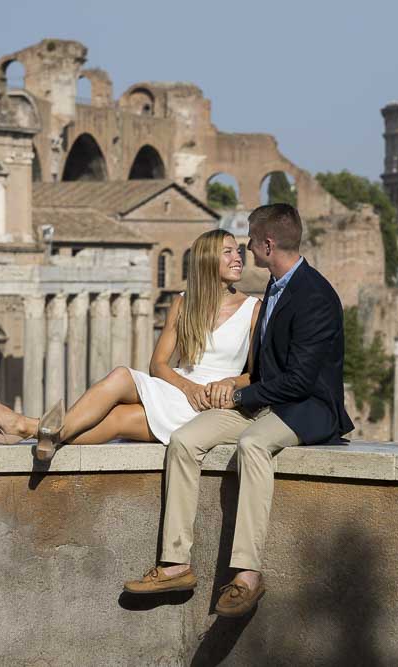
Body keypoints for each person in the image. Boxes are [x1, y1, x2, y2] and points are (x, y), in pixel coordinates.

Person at [124, 203, 353, 618]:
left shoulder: (316, 295)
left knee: (252, 445)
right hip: (264, 400)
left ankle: (247, 574)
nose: (246, 247)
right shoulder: (273, 290)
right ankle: (175, 562)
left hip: (307, 407)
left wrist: (236, 396)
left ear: (267, 244)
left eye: (249, 239)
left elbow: (300, 381)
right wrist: (233, 387)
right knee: (184, 440)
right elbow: (260, 369)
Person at [0, 229, 261, 462]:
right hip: (179, 388)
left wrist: (229, 383)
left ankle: (26, 427)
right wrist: (188, 388)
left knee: (116, 420)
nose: (238, 257)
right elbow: (158, 365)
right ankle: (32, 429)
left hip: (209, 404)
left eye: (238, 252)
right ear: (208, 259)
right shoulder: (183, 302)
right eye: (229, 252)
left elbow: (257, 374)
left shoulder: (253, 308)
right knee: (121, 375)